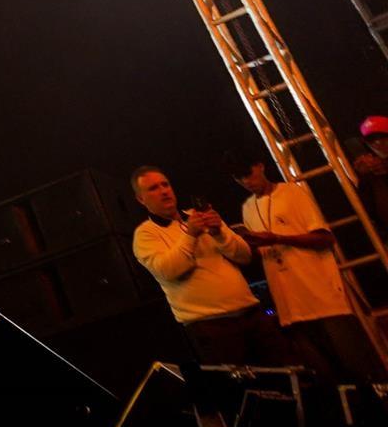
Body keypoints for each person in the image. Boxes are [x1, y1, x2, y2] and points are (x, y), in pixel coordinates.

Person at [228, 150, 386, 384]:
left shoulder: (292, 192)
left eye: (248, 174)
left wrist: (278, 238)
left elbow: (325, 238)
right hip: (290, 304)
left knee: (359, 366)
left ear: (260, 166)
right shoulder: (247, 208)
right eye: (240, 179)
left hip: (322, 296)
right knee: (327, 374)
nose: (247, 182)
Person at [129, 165, 290, 365]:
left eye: (165, 184)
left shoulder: (199, 216)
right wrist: (191, 235)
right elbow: (168, 271)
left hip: (251, 313)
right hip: (212, 327)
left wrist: (218, 233)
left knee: (288, 372)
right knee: (247, 383)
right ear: (141, 199)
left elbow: (245, 256)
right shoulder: (146, 234)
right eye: (153, 188)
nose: (163, 191)